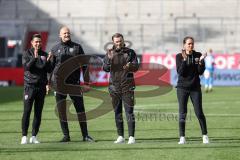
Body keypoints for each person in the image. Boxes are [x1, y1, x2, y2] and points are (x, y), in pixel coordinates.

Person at [48, 26, 94, 142]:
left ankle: (85, 135)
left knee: (80, 110)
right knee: (62, 111)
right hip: (59, 85)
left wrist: (87, 82)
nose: (66, 35)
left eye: (68, 33)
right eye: (64, 33)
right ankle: (66, 136)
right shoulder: (54, 49)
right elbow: (50, 69)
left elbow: (85, 66)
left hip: (74, 84)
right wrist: (48, 83)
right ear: (60, 35)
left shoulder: (77, 47)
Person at [103, 33, 139, 144]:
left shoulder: (130, 52)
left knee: (129, 112)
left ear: (123, 41)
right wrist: (109, 60)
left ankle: (131, 137)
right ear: (113, 42)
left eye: (120, 41)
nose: (119, 43)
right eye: (116, 41)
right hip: (114, 87)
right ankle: (121, 136)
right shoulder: (109, 53)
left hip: (127, 86)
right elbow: (105, 68)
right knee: (117, 112)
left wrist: (130, 66)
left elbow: (136, 67)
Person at [176, 36, 209, 144]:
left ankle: (205, 135)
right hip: (182, 88)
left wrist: (201, 62)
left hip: (195, 88)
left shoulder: (198, 55)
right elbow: (180, 72)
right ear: (184, 45)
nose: (191, 45)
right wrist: (185, 60)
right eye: (189, 44)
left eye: (192, 44)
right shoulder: (179, 56)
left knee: (199, 112)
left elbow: (200, 72)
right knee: (182, 112)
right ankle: (182, 137)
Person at [21, 34, 52, 144]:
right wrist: (34, 58)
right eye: (36, 42)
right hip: (29, 87)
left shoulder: (44, 54)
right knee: (27, 111)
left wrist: (48, 61)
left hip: (41, 87)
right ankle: (24, 136)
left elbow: (48, 70)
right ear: (32, 42)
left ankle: (34, 136)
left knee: (38, 113)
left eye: (39, 42)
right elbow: (27, 67)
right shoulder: (26, 53)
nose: (38, 44)